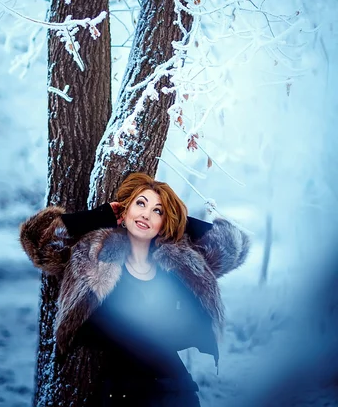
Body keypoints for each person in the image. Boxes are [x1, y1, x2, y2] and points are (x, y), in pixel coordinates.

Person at [20, 172, 249, 407]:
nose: (146, 214)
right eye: (141, 203)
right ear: (125, 210)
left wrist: (179, 221)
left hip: (176, 390)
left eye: (158, 211)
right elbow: (40, 240)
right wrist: (101, 215)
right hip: (118, 394)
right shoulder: (95, 255)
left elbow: (233, 246)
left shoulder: (177, 263)